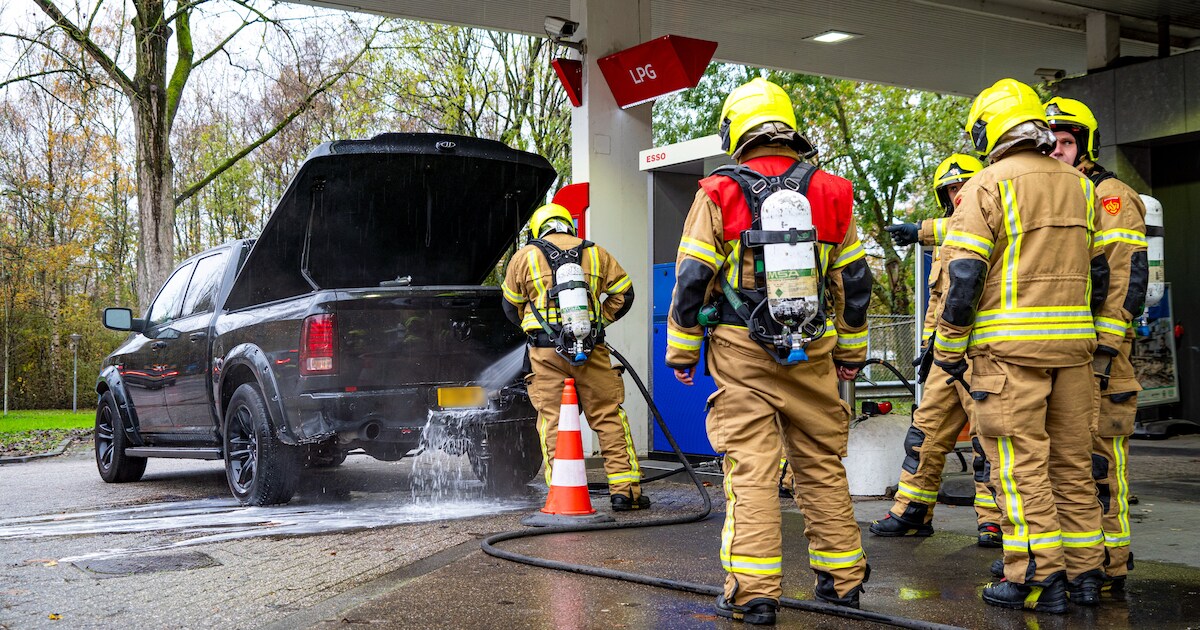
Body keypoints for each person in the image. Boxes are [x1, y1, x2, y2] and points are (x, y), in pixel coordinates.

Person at [667, 77, 873, 624]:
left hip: (742, 349)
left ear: (737, 130)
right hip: (813, 348)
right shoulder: (833, 193)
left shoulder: (718, 192)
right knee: (820, 464)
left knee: (752, 469)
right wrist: (850, 349)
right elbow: (855, 283)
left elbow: (692, 278)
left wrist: (683, 350)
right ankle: (843, 580)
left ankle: (754, 594)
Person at [934, 78, 1106, 614]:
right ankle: (1084, 577)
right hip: (1074, 350)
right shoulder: (1081, 186)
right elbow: (1098, 274)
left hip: (1008, 355)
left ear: (989, 129)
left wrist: (947, 348)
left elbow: (963, 276)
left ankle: (1035, 576)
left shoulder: (986, 185)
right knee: (1073, 465)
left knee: (1017, 465)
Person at [872, 154, 1005, 548]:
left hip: (981, 353)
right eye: (950, 188)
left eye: (964, 184)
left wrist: (920, 230)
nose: (958, 192)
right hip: (945, 354)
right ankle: (912, 512)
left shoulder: (987, 222)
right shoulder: (951, 240)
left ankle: (993, 520)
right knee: (923, 434)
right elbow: (940, 299)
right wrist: (930, 344)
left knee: (987, 440)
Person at [1047, 96, 1148, 598]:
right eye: (1051, 142)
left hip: (1103, 357)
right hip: (1066, 351)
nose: (1057, 151)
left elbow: (1126, 276)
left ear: (1083, 145)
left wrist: (1107, 345)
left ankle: (1113, 561)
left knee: (1103, 461)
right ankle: (1082, 559)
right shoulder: (1057, 194)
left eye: (1066, 142)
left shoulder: (1109, 195)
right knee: (1068, 461)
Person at [500, 203, 648, 511]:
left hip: (544, 353)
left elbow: (509, 307)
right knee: (608, 416)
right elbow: (625, 295)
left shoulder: (523, 256)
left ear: (538, 229)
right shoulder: (595, 252)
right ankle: (625, 491)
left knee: (552, 421)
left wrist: (539, 330)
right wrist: (597, 324)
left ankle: (563, 492)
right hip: (592, 349)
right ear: (570, 225)